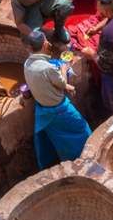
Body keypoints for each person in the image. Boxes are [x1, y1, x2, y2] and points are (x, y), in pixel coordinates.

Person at [25, 30, 92, 167]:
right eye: (46, 42)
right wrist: (63, 66)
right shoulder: (48, 68)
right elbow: (61, 83)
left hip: (43, 110)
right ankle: (87, 157)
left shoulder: (27, 64)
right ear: (44, 44)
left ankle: (68, 161)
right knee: (83, 130)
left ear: (29, 48)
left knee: (60, 140)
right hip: (59, 109)